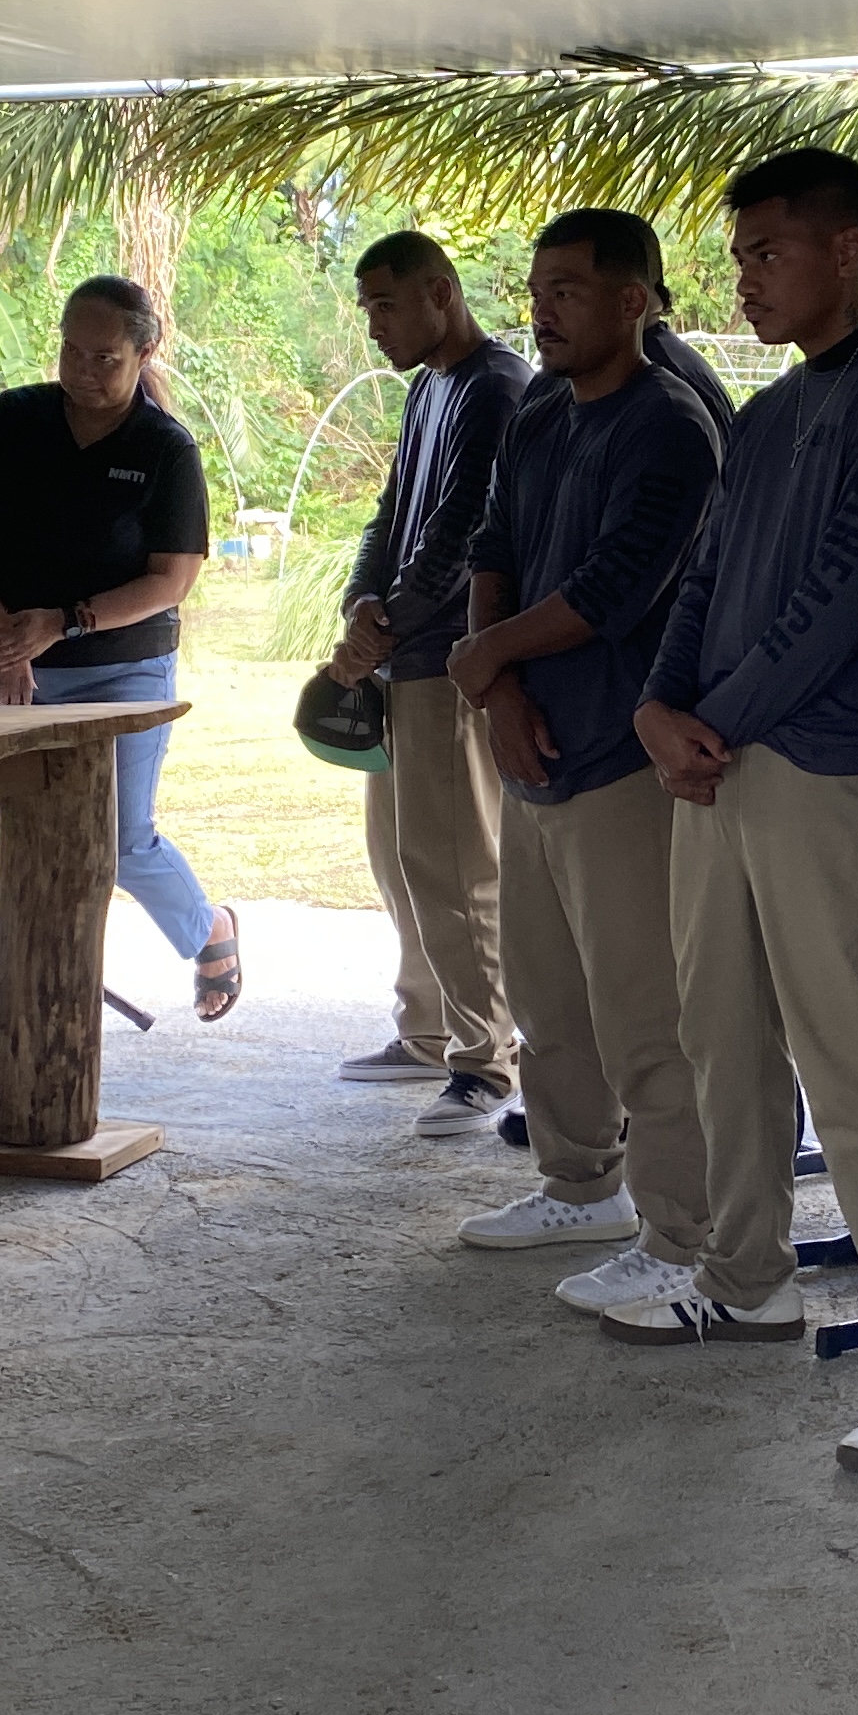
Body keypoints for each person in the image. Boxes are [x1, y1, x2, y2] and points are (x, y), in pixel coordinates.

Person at [640, 150, 858, 1460]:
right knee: (717, 1030)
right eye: (736, 258)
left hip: (828, 770)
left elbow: (836, 605)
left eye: (769, 252)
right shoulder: (773, 415)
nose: (748, 278)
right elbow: (708, 570)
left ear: (849, 250)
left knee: (857, 1067)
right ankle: (745, 1280)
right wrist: (658, 707)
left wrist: (711, 718)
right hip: (717, 766)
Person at [446, 212, 727, 1292]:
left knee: (644, 1011)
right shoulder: (541, 410)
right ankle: (578, 1188)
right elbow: (498, 547)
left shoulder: (670, 425)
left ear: (635, 299)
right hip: (533, 746)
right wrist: (498, 680)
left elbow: (616, 589)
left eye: (568, 288)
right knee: (545, 994)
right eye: (536, 287)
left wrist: (482, 660)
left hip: (622, 755)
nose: (543, 308)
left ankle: (682, 1237)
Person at [0, 274, 236, 1021]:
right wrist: (0, 632)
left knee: (119, 839)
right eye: (71, 352)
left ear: (143, 352)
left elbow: (173, 579)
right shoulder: (14, 419)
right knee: (32, 836)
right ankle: (34, 981)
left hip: (123, 668)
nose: (83, 372)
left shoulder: (165, 448)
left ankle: (209, 929)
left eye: (104, 357)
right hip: (8, 666)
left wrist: (62, 622)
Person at [325, 234, 531, 1139]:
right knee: (400, 858)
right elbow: (392, 511)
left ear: (441, 293)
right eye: (367, 307)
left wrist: (387, 626)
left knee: (456, 866)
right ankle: (426, 1027)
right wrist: (361, 601)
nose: (374, 325)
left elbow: (465, 536)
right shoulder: (428, 388)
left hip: (451, 663)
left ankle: (486, 1059)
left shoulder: (496, 386)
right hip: (402, 657)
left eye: (384, 305)